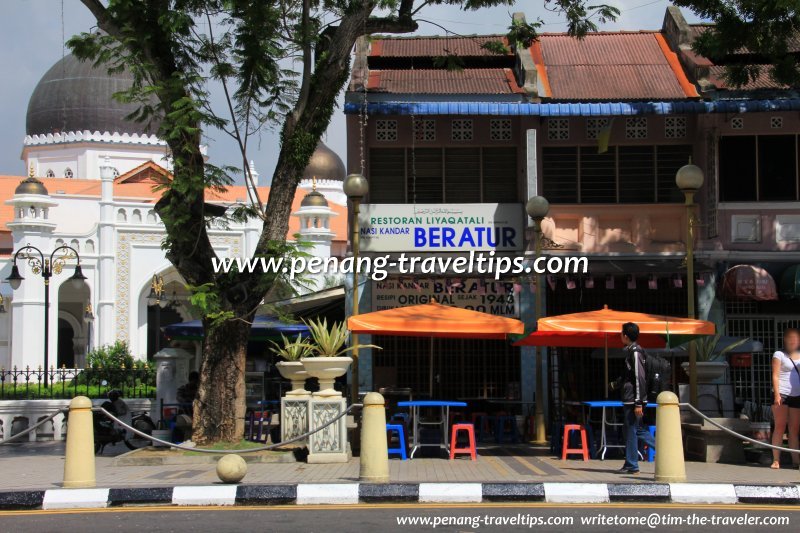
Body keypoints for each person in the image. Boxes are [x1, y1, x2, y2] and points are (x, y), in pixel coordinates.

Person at [611, 322, 656, 474]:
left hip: (633, 400)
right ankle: (664, 451)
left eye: (621, 333)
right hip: (630, 398)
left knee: (632, 430)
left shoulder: (635, 352)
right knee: (636, 429)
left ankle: (632, 464)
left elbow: (639, 378)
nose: (620, 336)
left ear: (625, 335)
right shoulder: (631, 351)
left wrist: (638, 402)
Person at [770, 328, 800, 469]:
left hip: (797, 395)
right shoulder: (779, 354)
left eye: (795, 338)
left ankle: (796, 460)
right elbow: (775, 375)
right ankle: (776, 460)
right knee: (780, 426)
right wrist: (777, 394)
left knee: (794, 429)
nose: (793, 341)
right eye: (790, 338)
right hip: (782, 393)